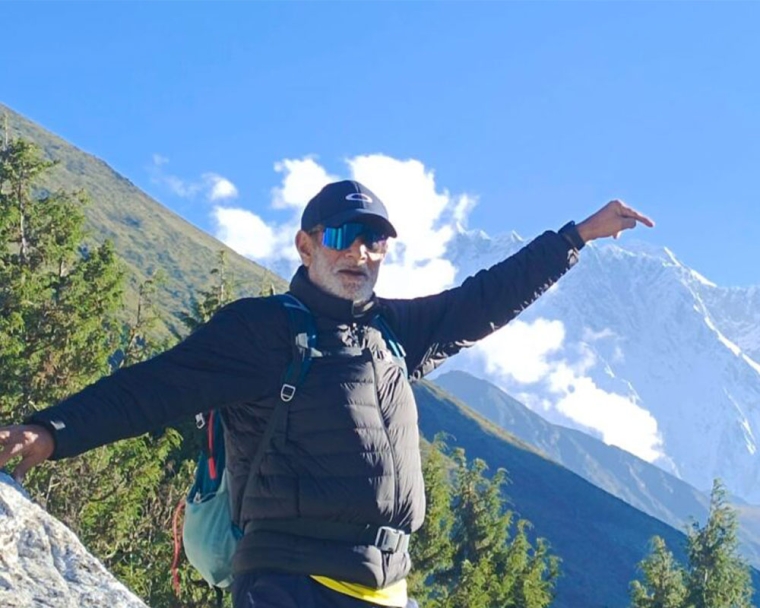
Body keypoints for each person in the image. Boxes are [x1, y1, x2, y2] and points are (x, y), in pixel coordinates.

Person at [0, 180, 654, 608]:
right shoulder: (263, 330)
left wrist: (574, 239)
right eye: (344, 237)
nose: (362, 253)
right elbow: (156, 386)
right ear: (307, 246)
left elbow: (484, 299)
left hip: (385, 586)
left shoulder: (395, 334)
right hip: (291, 583)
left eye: (376, 240)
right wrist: (52, 430)